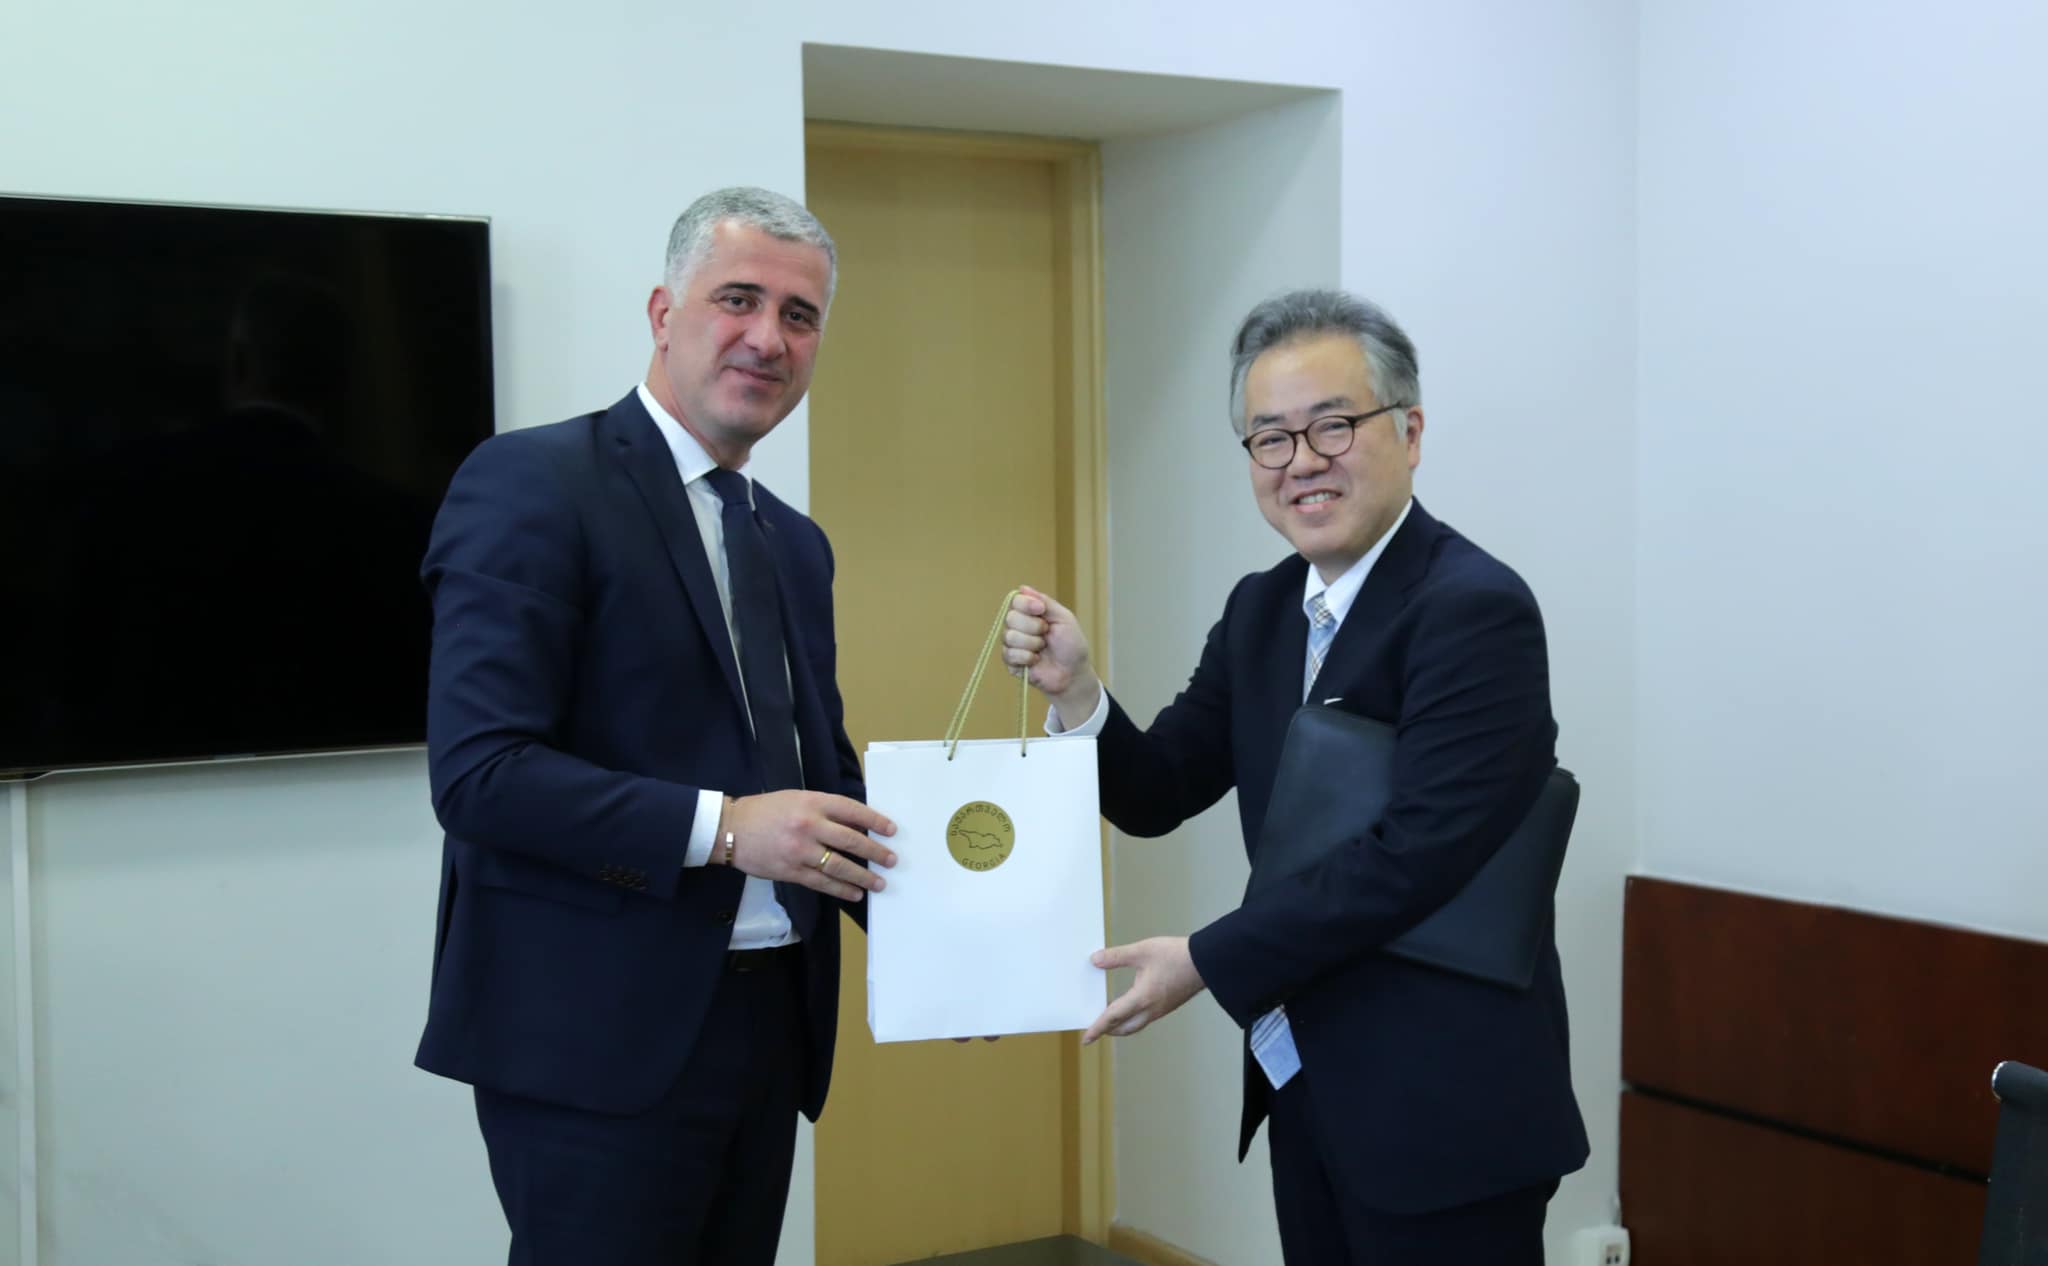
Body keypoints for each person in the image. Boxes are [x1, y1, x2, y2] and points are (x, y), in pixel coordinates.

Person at [1004, 290, 1588, 1265]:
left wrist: (1205, 958)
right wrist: (1077, 692)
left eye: (1333, 425)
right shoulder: (1263, 609)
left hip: (1444, 1107)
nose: (1302, 461)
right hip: (1305, 1082)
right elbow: (1157, 789)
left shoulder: (1472, 608)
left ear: (1409, 432)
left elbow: (1417, 853)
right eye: (1269, 438)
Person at [415, 186, 897, 1266]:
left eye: (800, 316)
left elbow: (822, 781)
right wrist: (725, 830)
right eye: (738, 299)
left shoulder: (793, 543)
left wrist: (957, 949)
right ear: (662, 312)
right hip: (593, 1043)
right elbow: (482, 775)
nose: (768, 338)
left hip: (768, 1028)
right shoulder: (532, 483)